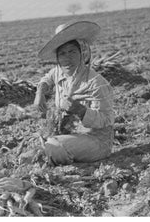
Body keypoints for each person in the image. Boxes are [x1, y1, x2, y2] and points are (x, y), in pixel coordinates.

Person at [31, 21, 114, 165]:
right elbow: (46, 79)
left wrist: (81, 111)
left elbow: (107, 119)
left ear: (83, 53)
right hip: (70, 134)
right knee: (36, 145)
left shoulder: (96, 82)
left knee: (54, 147)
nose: (67, 58)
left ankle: (63, 161)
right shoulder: (58, 72)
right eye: (62, 53)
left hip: (96, 141)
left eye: (72, 52)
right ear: (57, 58)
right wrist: (40, 93)